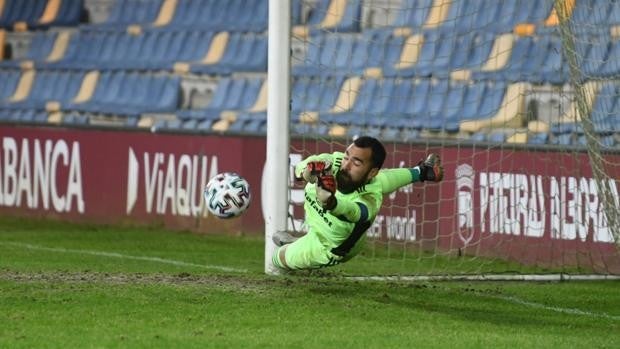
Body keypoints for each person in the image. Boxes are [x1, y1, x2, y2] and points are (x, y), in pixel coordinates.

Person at [271, 136, 444, 271]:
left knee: (276, 259)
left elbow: (355, 212)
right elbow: (301, 168)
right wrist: (306, 173)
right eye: (347, 157)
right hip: (319, 222)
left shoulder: (370, 198)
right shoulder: (335, 163)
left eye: (357, 162)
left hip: (329, 245)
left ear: (372, 171)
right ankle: (423, 171)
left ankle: (295, 248)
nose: (347, 165)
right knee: (382, 179)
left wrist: (331, 203)